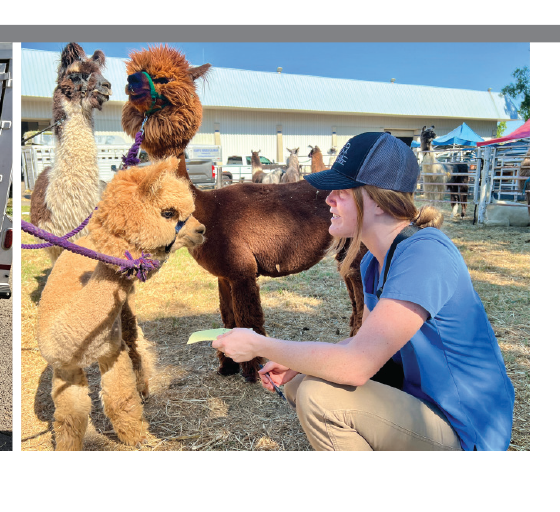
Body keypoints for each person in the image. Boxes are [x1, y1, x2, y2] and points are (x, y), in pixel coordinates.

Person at [212, 131, 514, 451]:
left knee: (319, 398)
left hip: (466, 430)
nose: (328, 199)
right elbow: (362, 342)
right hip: (421, 403)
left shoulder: (425, 254)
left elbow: (356, 365)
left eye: (341, 190)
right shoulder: (373, 261)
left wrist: (262, 345)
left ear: (379, 200)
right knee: (299, 383)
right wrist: (296, 361)